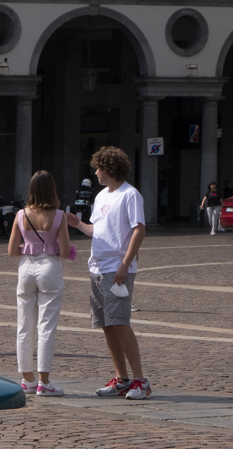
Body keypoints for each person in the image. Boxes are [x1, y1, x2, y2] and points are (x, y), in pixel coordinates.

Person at [65, 145, 151, 400]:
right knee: (106, 325)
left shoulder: (130, 195)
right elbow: (98, 230)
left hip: (116, 269)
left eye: (98, 167)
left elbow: (139, 230)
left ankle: (140, 381)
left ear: (110, 168)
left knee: (120, 322)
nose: (95, 172)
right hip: (97, 267)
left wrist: (125, 263)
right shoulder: (102, 196)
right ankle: (122, 378)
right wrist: (78, 224)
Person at [7, 171, 69, 397]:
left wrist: (29, 247)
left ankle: (28, 379)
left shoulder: (21, 214)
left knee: (24, 326)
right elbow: (63, 251)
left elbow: (12, 251)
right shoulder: (59, 215)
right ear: (51, 189)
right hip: (49, 267)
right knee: (47, 326)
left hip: (26, 267)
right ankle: (45, 381)